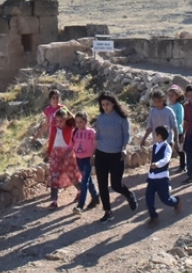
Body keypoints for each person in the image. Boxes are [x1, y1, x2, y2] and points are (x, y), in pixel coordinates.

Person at [93, 93, 138, 222]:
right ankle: (108, 211)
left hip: (116, 155)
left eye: (107, 104)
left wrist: (124, 149)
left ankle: (129, 195)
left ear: (113, 103)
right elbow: (98, 136)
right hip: (101, 154)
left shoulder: (122, 119)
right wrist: (92, 153)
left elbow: (126, 136)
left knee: (116, 185)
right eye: (103, 105)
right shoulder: (100, 118)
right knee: (102, 184)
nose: (105, 107)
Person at [145, 125, 182, 225]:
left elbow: (166, 159)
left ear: (160, 135)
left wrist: (157, 164)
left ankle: (176, 201)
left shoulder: (167, 147)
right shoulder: (155, 146)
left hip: (162, 178)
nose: (154, 135)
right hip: (152, 178)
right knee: (148, 198)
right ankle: (154, 217)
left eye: (155, 134)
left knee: (166, 199)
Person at [46, 108, 79, 208]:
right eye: (57, 121)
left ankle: (81, 191)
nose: (59, 123)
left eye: (61, 121)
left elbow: (73, 143)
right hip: (55, 155)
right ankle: (54, 201)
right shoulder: (54, 128)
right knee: (54, 177)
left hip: (67, 156)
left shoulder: (70, 129)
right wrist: (48, 152)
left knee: (72, 176)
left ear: (65, 119)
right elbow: (51, 140)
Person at [71, 111, 99, 211]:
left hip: (88, 158)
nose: (78, 124)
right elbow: (72, 144)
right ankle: (95, 197)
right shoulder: (75, 132)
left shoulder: (91, 132)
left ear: (86, 121)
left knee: (84, 182)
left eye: (81, 122)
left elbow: (96, 143)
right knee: (87, 179)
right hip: (79, 158)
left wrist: (93, 155)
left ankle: (80, 205)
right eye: (77, 122)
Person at [166, 86, 186, 172]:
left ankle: (183, 166)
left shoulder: (179, 106)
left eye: (172, 95)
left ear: (177, 96)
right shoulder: (168, 106)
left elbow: (180, 119)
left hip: (178, 131)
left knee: (179, 149)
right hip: (168, 132)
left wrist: (173, 126)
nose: (170, 97)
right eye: (169, 95)